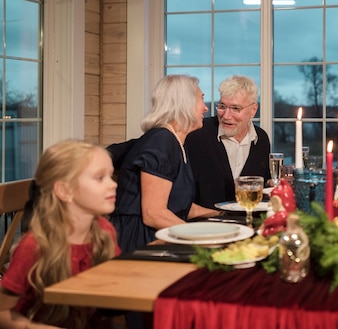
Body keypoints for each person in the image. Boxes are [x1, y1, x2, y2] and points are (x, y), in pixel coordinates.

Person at [0, 140, 121, 328]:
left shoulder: (104, 231)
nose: (113, 184)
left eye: (111, 176)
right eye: (100, 178)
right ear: (64, 190)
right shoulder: (35, 246)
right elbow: (2, 311)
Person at [109, 74, 218, 252]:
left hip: (159, 235)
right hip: (141, 240)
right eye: (201, 99)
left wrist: (223, 216)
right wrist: (199, 238)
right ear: (184, 103)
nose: (205, 108)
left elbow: (181, 205)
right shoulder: (161, 141)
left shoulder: (176, 141)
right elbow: (153, 214)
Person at [186, 75, 271, 209]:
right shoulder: (197, 134)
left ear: (253, 110)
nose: (226, 116)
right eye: (222, 106)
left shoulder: (261, 139)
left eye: (235, 108)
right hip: (205, 225)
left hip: (247, 224)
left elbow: (263, 187)